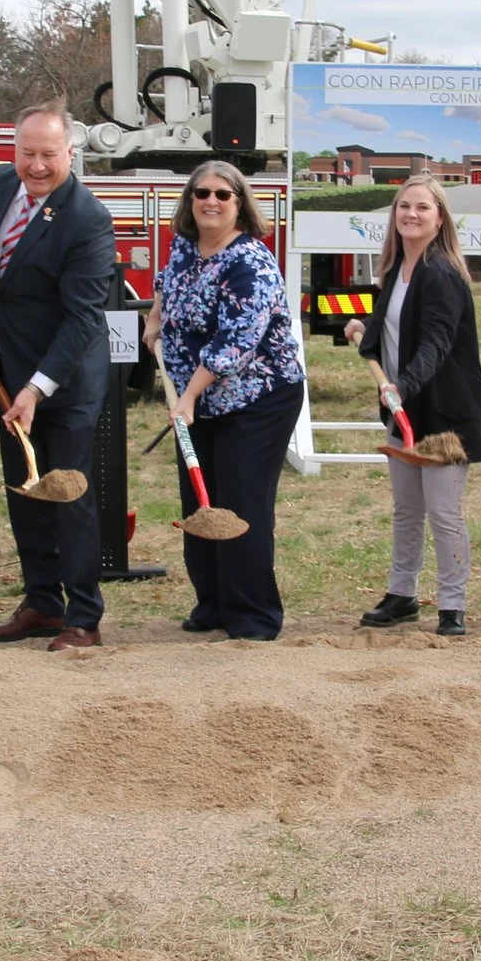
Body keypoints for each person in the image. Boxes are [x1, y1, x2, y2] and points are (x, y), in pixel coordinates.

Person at [0, 101, 115, 651]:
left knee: (66, 494)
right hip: (7, 369)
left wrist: (35, 388)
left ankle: (84, 617)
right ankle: (42, 602)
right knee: (24, 489)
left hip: (63, 380)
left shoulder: (88, 219)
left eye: (49, 154)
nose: (37, 165)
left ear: (71, 152)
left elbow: (82, 318)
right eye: (28, 153)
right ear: (13, 150)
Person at [148, 160, 306, 641]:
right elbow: (165, 286)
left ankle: (253, 613)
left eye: (222, 194)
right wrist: (155, 320)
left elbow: (234, 346)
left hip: (257, 397)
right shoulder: (184, 248)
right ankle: (212, 602)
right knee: (201, 497)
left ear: (240, 204)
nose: (210, 202)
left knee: (240, 503)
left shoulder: (250, 263)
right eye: (201, 193)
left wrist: (189, 397)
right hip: (195, 399)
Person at [345, 177, 481, 636]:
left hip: (443, 417)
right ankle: (402, 594)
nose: (411, 214)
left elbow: (436, 344)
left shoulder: (440, 273)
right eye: (404, 206)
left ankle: (452, 606)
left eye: (422, 207)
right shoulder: (395, 271)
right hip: (403, 412)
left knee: (444, 512)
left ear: (439, 218)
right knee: (407, 510)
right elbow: (394, 332)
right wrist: (362, 331)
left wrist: (400, 387)